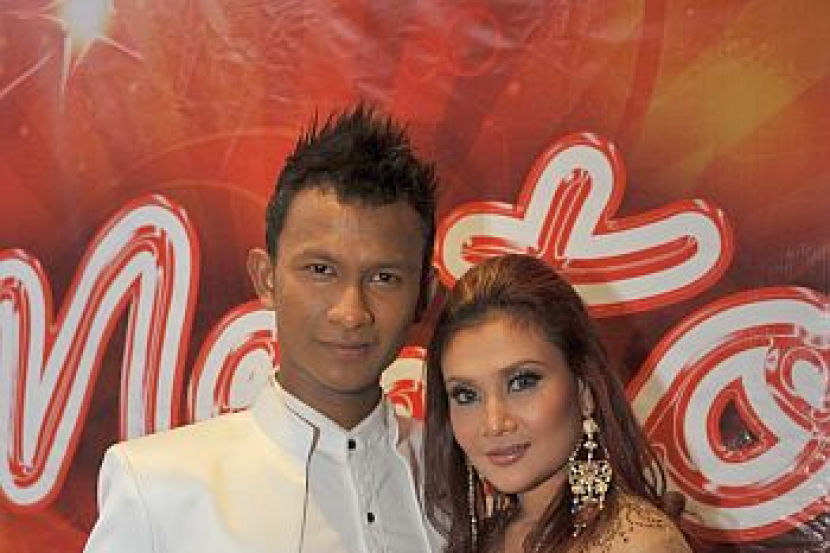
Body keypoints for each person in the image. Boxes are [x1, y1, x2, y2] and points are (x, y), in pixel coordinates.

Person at [84, 104, 443, 553]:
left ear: (424, 293)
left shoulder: (466, 481)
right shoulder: (157, 488)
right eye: (320, 270)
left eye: (384, 277)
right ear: (266, 278)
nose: (350, 313)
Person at [423, 254, 691, 553]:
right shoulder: (486, 538)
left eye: (522, 382)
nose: (494, 423)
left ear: (584, 390)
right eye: (466, 395)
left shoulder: (637, 542)